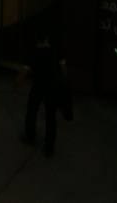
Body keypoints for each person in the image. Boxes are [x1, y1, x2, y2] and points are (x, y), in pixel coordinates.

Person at [22, 29, 66, 157]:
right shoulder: (55, 51)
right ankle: (49, 147)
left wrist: (16, 83)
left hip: (38, 86)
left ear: (37, 40)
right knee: (51, 117)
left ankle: (30, 136)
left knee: (32, 110)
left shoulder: (34, 52)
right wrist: (63, 83)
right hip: (52, 87)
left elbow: (25, 71)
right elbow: (63, 68)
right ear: (47, 39)